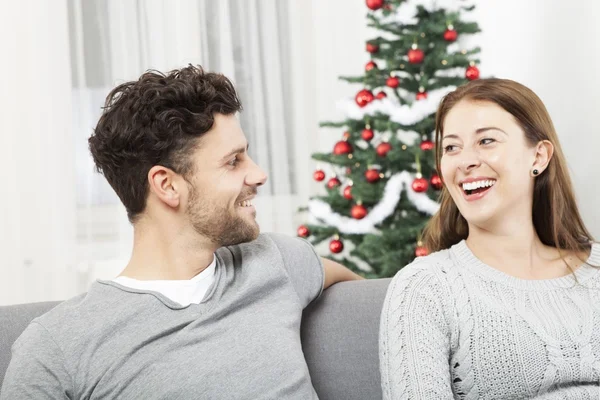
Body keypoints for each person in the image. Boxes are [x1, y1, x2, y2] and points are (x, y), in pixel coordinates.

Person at [0, 65, 363, 399]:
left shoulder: (280, 262)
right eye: (233, 161)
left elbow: (378, 296)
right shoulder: (58, 345)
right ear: (167, 185)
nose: (258, 175)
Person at [379, 78, 600, 399]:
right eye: (451, 147)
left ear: (538, 157)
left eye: (486, 141)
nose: (465, 161)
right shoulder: (425, 288)